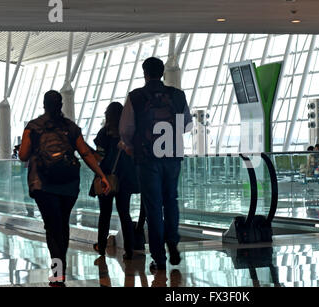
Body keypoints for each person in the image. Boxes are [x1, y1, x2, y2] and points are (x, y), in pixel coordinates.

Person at [19, 90, 110, 287]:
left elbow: (24, 155)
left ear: (44, 105)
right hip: (68, 184)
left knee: (52, 227)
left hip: (42, 183)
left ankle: (58, 273)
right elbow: (85, 153)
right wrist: (101, 175)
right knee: (62, 225)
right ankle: (60, 269)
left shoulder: (33, 127)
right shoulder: (70, 127)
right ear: (61, 105)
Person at [119, 57, 192, 272]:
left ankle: (159, 257)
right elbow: (187, 124)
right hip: (172, 157)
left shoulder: (136, 97)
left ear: (145, 73)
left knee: (153, 205)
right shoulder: (178, 96)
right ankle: (173, 241)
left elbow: (126, 130)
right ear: (162, 73)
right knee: (171, 199)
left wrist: (132, 147)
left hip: (147, 158)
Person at [91, 102, 140, 260]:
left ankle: (101, 247)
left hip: (106, 178)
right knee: (124, 213)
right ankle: (129, 249)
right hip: (125, 179)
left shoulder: (104, 134)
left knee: (104, 214)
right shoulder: (128, 134)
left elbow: (99, 156)